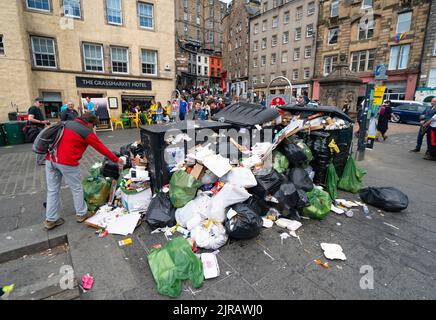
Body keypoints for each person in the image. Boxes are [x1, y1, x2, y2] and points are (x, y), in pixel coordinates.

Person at [43, 113, 124, 230]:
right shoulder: (86, 131)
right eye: (94, 125)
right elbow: (101, 147)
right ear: (90, 123)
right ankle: (81, 214)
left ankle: (50, 219)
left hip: (50, 159)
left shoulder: (67, 123)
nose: (94, 128)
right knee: (76, 188)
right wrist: (117, 160)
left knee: (52, 190)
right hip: (67, 162)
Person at [28, 97, 50, 165]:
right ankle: (40, 161)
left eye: (42, 102)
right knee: (41, 144)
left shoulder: (38, 109)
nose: (41, 104)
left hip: (40, 128)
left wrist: (45, 122)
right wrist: (41, 121)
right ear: (36, 102)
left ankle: (41, 159)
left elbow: (41, 121)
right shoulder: (33, 108)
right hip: (36, 129)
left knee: (42, 144)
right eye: (40, 102)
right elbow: (30, 118)